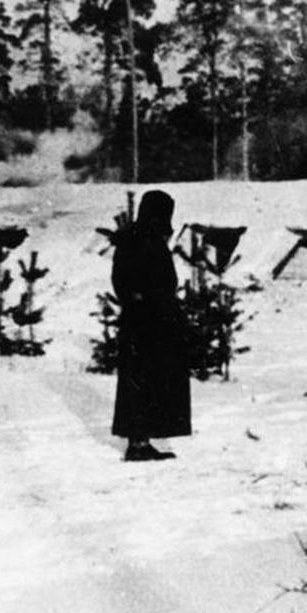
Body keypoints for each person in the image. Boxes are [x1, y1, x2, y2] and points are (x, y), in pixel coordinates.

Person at [111, 189, 191, 461]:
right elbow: (124, 282)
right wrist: (145, 301)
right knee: (141, 381)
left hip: (151, 321)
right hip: (145, 322)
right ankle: (137, 443)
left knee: (150, 381)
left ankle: (142, 439)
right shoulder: (139, 240)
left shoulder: (141, 238)